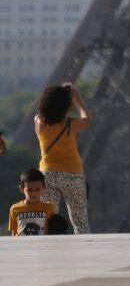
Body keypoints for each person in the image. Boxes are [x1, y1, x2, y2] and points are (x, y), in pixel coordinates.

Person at [34, 83, 91, 234]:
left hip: (48, 174)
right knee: (80, 220)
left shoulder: (39, 122)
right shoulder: (71, 124)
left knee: (47, 220)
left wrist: (60, 95)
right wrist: (77, 101)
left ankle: (47, 252)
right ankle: (84, 251)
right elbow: (87, 119)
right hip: (72, 174)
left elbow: (42, 113)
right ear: (66, 107)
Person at [8, 169, 55, 236]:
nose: (34, 193)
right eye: (29, 190)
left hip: (42, 245)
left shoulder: (49, 208)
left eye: (37, 189)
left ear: (44, 188)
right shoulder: (14, 209)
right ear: (21, 189)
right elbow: (14, 233)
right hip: (21, 245)